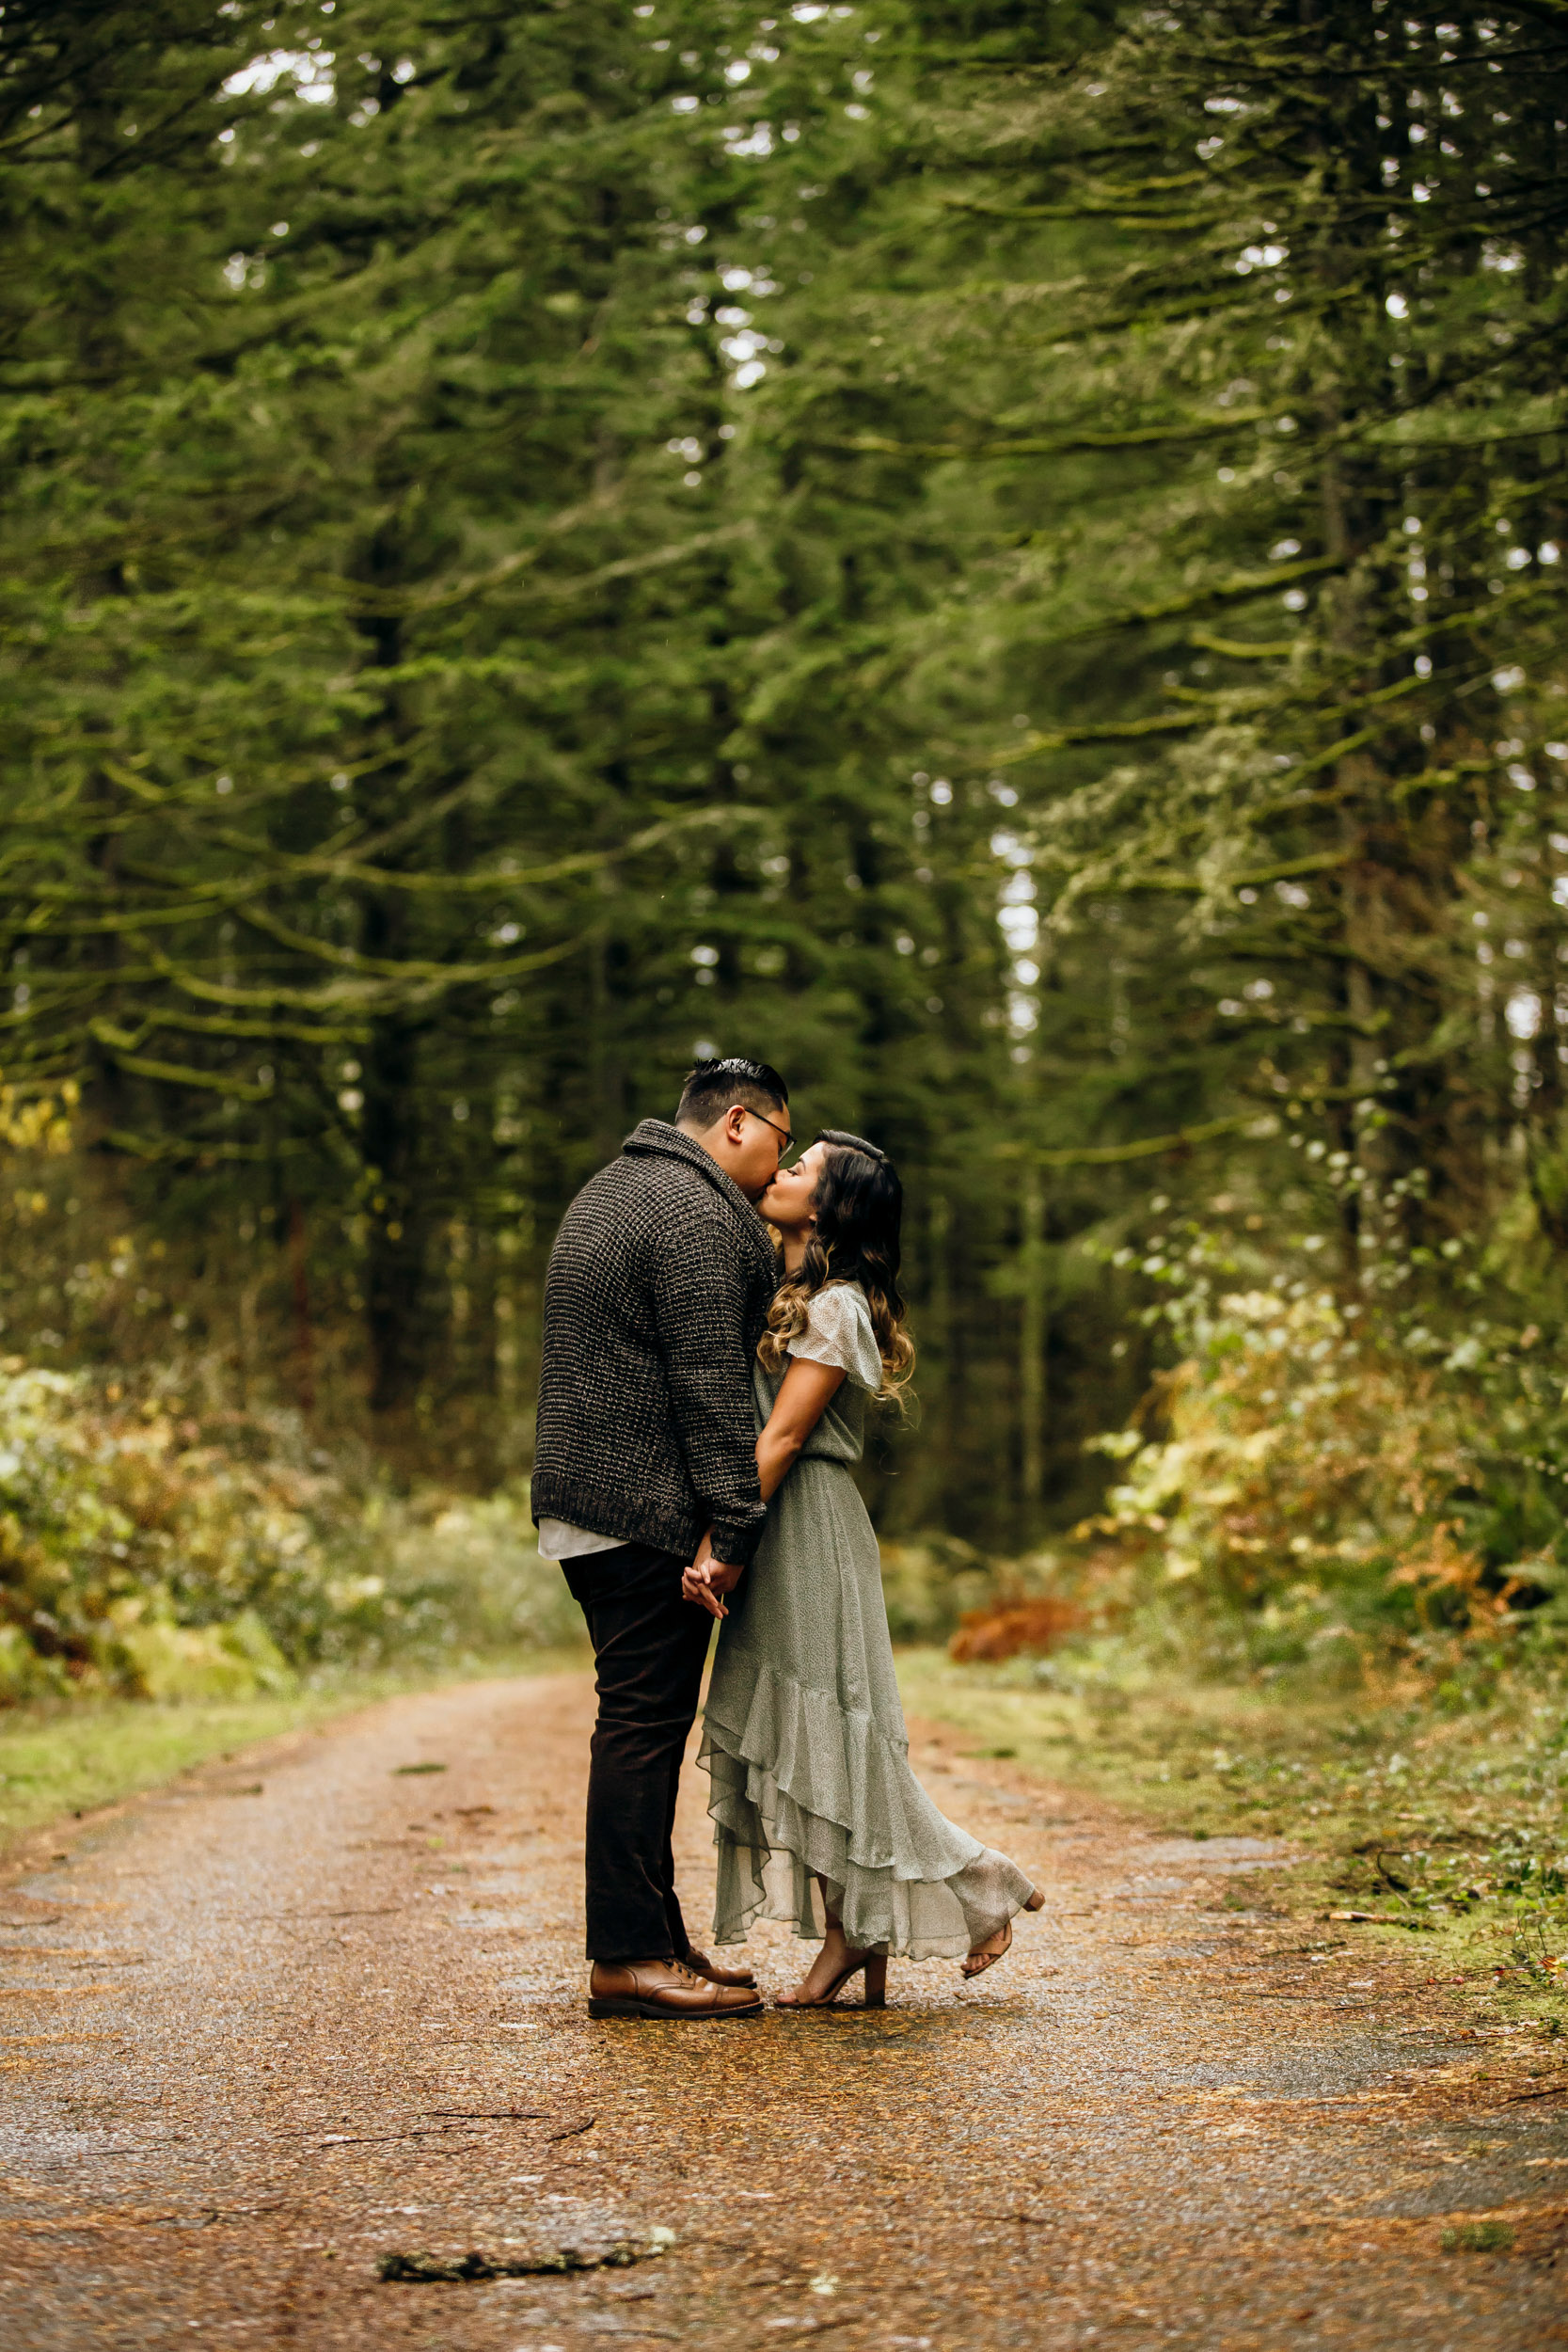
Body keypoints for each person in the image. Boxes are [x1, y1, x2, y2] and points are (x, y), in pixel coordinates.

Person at [687, 1130, 1044, 2007]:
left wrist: (722, 1541)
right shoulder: (793, 1293)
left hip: (803, 1522)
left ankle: (980, 1881)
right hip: (785, 1519)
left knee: (831, 1733)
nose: (778, 1171)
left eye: (798, 1168)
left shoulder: (839, 1306)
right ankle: (858, 1937)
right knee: (810, 1742)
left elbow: (784, 1435)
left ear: (827, 1209)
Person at [531, 1057, 795, 2022]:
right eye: (780, 1136)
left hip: (590, 1502)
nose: (782, 1162)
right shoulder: (690, 1212)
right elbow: (707, 1384)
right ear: (735, 1123)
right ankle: (628, 1956)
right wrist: (734, 1524)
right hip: (638, 1509)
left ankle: (652, 1934)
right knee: (640, 1727)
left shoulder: (620, 1184)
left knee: (639, 1720)